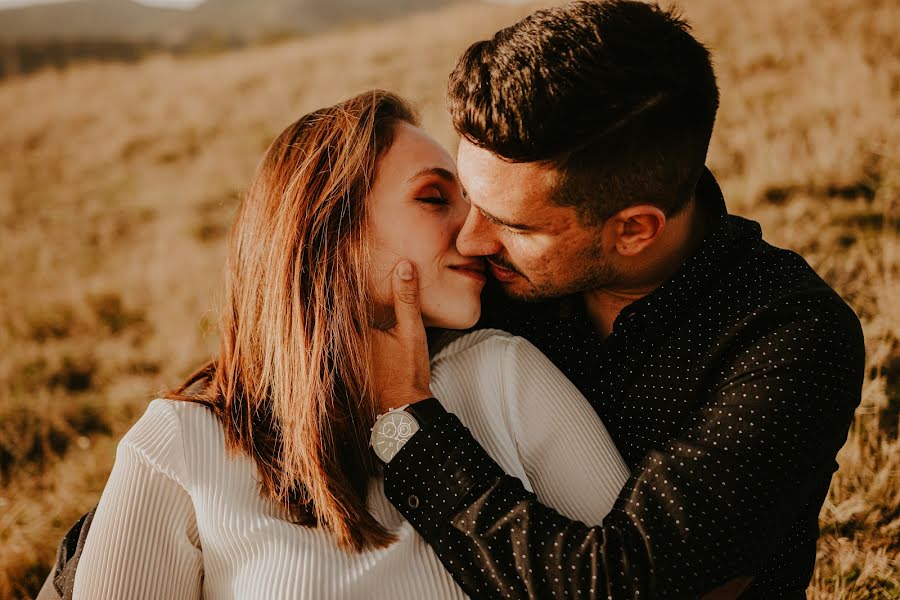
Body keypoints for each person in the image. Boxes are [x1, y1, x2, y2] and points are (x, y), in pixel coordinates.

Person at [53, 90, 634, 600]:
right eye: (434, 198)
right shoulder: (181, 441)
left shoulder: (504, 374)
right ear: (328, 228)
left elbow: (633, 582)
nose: (475, 233)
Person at [371, 2, 866, 599]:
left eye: (516, 227)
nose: (471, 239)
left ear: (634, 229)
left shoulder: (789, 340)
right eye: (468, 196)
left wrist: (410, 426)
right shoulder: (482, 282)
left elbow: (619, 584)